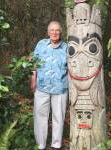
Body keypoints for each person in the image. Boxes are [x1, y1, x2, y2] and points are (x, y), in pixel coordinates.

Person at [31, 21, 68, 150]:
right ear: (48, 32)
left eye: (57, 30)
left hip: (60, 88)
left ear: (61, 32)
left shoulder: (67, 48)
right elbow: (34, 63)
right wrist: (33, 79)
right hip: (41, 87)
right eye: (52, 30)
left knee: (58, 117)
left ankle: (56, 145)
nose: (54, 32)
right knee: (40, 116)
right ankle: (40, 145)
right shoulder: (41, 45)